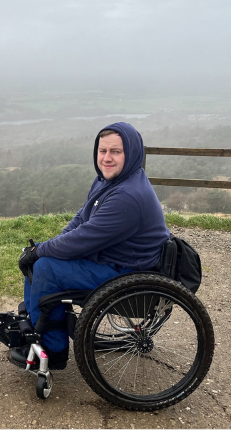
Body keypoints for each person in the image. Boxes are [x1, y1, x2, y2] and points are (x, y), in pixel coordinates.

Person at [13, 122, 170, 370]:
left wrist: (39, 250)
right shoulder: (110, 181)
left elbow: (83, 238)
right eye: (102, 150)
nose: (106, 158)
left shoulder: (127, 196)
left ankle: (52, 349)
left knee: (45, 268)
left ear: (131, 154)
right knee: (42, 260)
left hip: (127, 272)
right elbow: (82, 218)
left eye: (115, 151)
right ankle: (37, 321)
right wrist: (51, 244)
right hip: (115, 259)